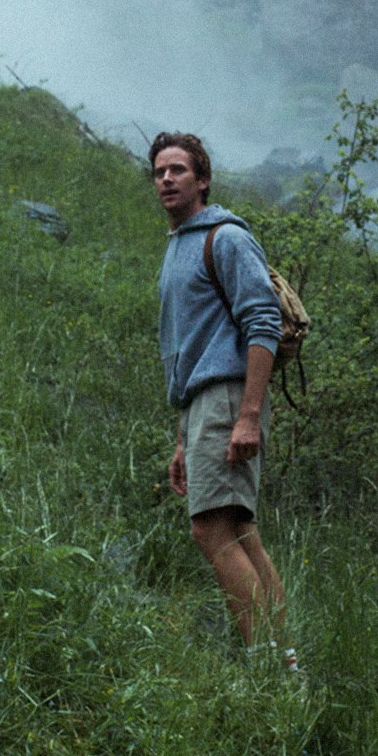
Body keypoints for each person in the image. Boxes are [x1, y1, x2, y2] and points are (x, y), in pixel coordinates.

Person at [151, 131, 295, 667]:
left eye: (178, 170)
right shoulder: (179, 246)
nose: (167, 179)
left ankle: (265, 664)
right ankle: (285, 662)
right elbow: (193, 349)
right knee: (238, 529)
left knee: (210, 530)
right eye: (160, 172)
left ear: (202, 179)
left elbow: (263, 322)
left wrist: (248, 415)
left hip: (230, 397)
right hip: (203, 404)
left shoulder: (226, 238)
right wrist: (184, 438)